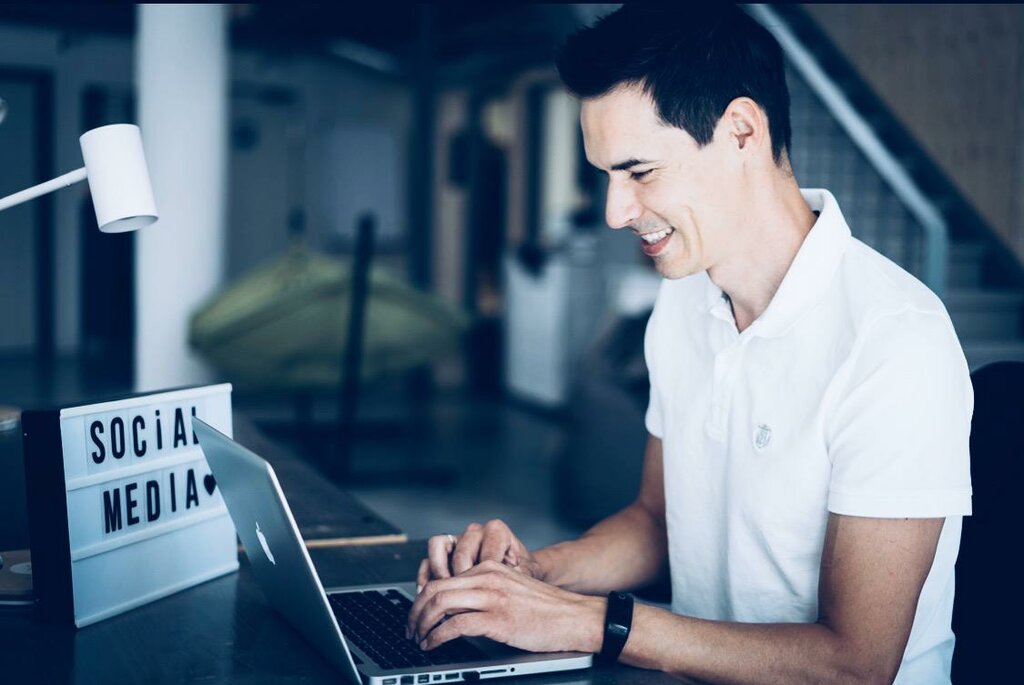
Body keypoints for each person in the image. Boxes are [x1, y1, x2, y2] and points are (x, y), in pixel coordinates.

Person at [406, 5, 973, 684]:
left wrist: (591, 621)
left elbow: (854, 665)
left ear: (741, 132)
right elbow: (657, 522)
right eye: (607, 176)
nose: (615, 211)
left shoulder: (896, 339)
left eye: (640, 172)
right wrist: (530, 575)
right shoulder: (683, 298)